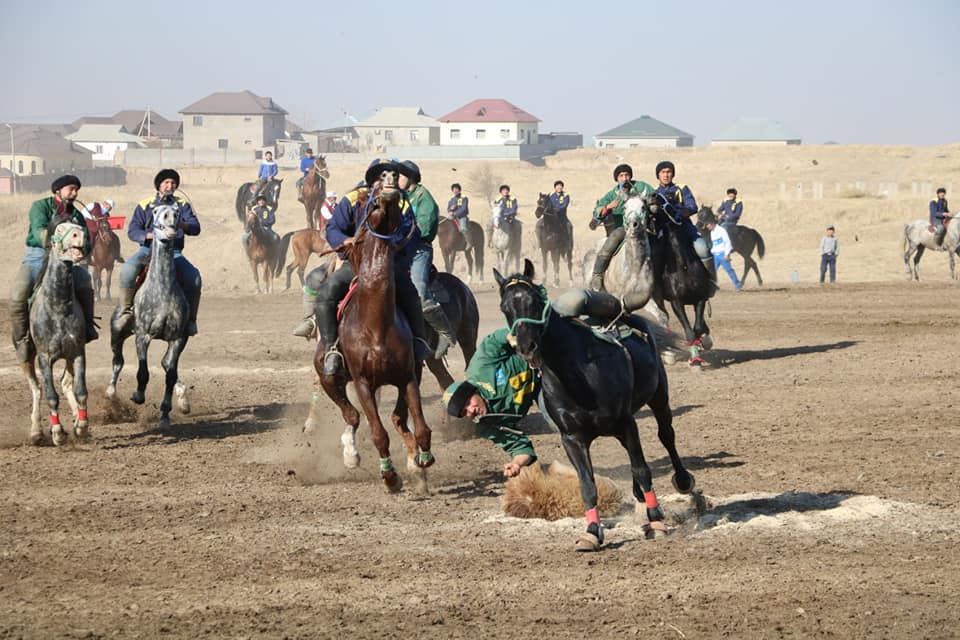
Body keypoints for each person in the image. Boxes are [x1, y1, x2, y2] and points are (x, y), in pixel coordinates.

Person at [313, 159, 431, 376]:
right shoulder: (353, 198)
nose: (386, 180)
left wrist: (394, 244)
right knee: (325, 293)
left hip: (389, 266)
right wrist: (345, 241)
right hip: (356, 265)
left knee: (412, 295)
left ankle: (418, 344)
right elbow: (334, 228)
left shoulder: (402, 203)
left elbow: (411, 232)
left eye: (391, 175)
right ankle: (331, 350)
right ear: (372, 179)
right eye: (380, 175)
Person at [10, 175, 98, 361]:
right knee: (18, 294)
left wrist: (83, 251)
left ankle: (87, 327)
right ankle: (23, 339)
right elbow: (38, 230)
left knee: (84, 279)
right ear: (58, 190)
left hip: (66, 261)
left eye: (76, 190)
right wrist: (54, 243)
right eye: (70, 189)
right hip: (38, 257)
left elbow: (86, 240)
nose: (74, 193)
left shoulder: (77, 215)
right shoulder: (40, 207)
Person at [443, 327, 540, 478]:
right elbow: (519, 447)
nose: (470, 411)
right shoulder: (486, 426)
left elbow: (495, 339)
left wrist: (512, 339)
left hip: (535, 355)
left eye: (468, 403)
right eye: (464, 413)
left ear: (473, 391)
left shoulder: (480, 366)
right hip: (541, 390)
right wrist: (516, 464)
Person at [116, 169, 202, 336]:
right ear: (159, 186)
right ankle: (126, 312)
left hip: (173, 251)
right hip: (148, 249)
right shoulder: (145, 204)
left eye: (173, 183)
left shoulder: (182, 204)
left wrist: (181, 225)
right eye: (166, 183)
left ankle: (191, 319)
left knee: (194, 277)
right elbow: (133, 230)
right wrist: (147, 235)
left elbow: (195, 228)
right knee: (127, 269)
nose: (170, 186)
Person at [397, 160, 459, 358]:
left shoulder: (425, 199)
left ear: (410, 178)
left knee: (418, 288)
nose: (397, 179)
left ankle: (445, 332)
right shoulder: (400, 196)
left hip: (419, 250)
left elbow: (423, 230)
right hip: (398, 249)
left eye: (401, 176)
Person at [587, 163, 658, 291]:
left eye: (627, 175)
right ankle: (597, 274)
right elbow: (597, 210)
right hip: (622, 229)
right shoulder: (612, 194)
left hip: (643, 228)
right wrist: (608, 207)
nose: (624, 178)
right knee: (611, 241)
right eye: (621, 176)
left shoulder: (641, 187)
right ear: (617, 178)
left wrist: (652, 202)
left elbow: (654, 196)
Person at [653, 160, 713, 275]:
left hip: (683, 226)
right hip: (662, 228)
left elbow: (692, 207)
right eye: (663, 172)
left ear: (673, 174)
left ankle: (710, 280)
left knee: (702, 248)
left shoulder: (681, 188)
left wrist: (678, 214)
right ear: (658, 175)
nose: (666, 175)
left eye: (669, 172)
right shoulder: (655, 193)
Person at [704, 219, 742, 291]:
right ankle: (712, 286)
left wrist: (727, 254)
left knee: (729, 270)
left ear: (712, 223)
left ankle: (738, 284)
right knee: (712, 271)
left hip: (722, 254)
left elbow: (727, 242)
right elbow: (715, 244)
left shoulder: (721, 230)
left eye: (707, 225)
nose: (707, 227)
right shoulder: (712, 232)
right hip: (715, 255)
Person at [447, 183, 472, 250]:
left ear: (459, 190)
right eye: (454, 189)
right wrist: (450, 210)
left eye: (456, 189)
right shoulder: (452, 199)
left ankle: (468, 242)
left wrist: (455, 213)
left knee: (463, 228)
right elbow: (448, 208)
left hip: (462, 216)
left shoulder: (464, 198)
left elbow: (464, 209)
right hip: (453, 217)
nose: (455, 190)